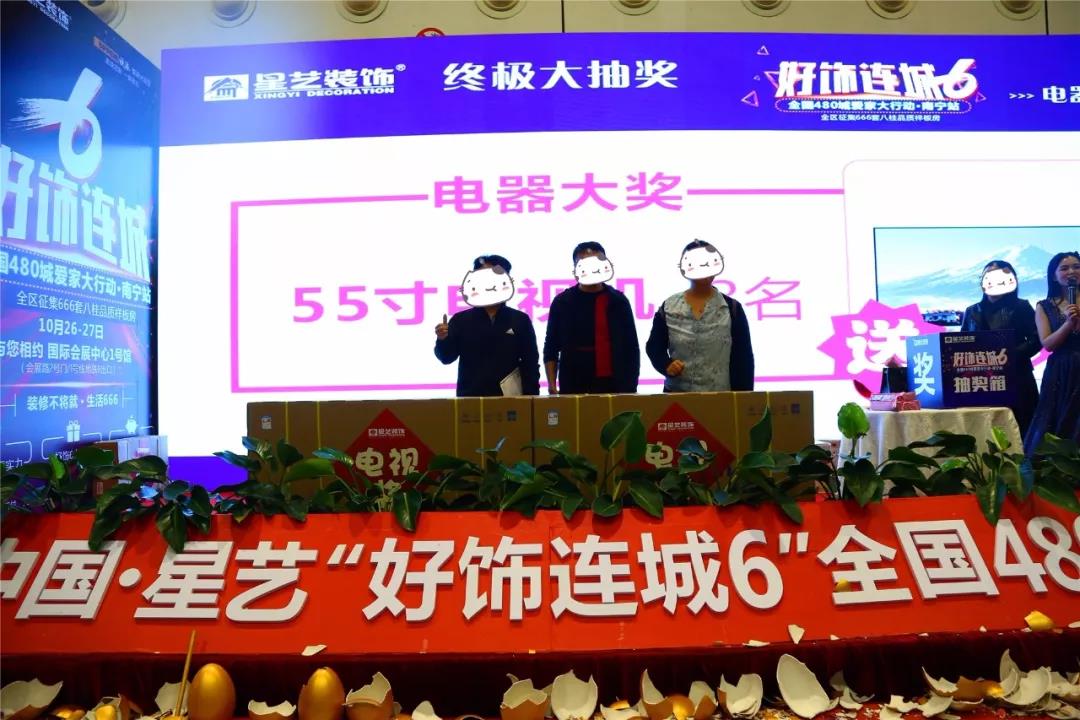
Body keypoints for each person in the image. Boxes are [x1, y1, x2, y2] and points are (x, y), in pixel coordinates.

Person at [646, 240, 754, 392]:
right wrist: (666, 364)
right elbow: (654, 347)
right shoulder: (669, 307)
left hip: (721, 396)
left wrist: (744, 398)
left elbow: (744, 359)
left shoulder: (732, 308)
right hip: (677, 397)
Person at [434, 254, 540, 397]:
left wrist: (531, 399)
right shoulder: (461, 320)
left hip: (511, 399)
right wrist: (443, 339)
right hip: (471, 398)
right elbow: (446, 357)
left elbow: (531, 363)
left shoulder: (520, 320)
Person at [542, 242, 640, 394]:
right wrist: (551, 384)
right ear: (575, 270)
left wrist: (630, 386)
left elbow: (631, 347)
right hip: (572, 381)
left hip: (613, 383)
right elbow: (551, 346)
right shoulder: (562, 302)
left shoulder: (618, 301)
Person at [959, 260, 1041, 437]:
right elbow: (961, 343)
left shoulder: (1021, 306)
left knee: (1021, 427)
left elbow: (1036, 339)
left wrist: (1011, 355)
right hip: (979, 380)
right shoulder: (972, 310)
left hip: (1017, 376)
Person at [1025, 251, 1080, 451]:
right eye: (1064, 268)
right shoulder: (1044, 306)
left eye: (1076, 267)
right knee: (1058, 420)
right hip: (1062, 371)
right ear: (1054, 276)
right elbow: (1048, 344)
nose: (1071, 271)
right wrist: (1068, 324)